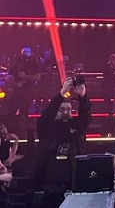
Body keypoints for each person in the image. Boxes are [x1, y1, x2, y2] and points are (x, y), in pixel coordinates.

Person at [35, 77, 91, 207]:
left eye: (69, 110)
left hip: (74, 180)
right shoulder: (46, 127)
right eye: (62, 110)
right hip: (52, 183)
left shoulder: (76, 126)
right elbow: (47, 115)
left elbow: (85, 117)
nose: (66, 113)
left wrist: (82, 97)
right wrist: (61, 94)